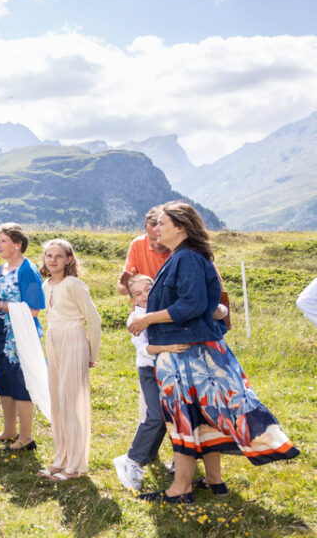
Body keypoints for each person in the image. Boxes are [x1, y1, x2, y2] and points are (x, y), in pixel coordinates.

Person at [127, 201, 299, 503]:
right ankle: (213, 479)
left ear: (181, 227)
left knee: (184, 418)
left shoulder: (187, 259)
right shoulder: (183, 256)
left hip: (189, 355)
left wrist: (147, 318)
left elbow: (191, 305)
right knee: (201, 416)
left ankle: (181, 488)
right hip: (192, 349)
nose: (156, 229)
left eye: (163, 223)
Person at [38, 239, 102, 481]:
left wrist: (91, 354)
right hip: (54, 341)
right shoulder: (46, 285)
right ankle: (61, 458)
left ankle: (75, 465)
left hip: (74, 340)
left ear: (68, 259)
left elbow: (94, 320)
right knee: (57, 400)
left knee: (70, 402)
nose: (52, 259)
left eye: (58, 255)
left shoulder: (74, 284)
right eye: (48, 255)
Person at [0, 223, 45, 451]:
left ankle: (26, 437)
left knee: (20, 383)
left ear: (17, 244)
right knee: (2, 381)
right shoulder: (0, 269)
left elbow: (34, 308)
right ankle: (9, 430)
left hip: (19, 336)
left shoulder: (27, 270)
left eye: (2, 241)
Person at [113, 275, 169, 491]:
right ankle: (131, 459)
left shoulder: (163, 309)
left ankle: (143, 458)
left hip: (167, 369)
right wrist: (170, 347)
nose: (145, 295)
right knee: (154, 416)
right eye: (138, 294)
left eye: (148, 289)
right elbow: (144, 348)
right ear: (133, 300)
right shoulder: (136, 317)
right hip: (149, 370)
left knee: (165, 417)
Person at [117, 206, 171, 294]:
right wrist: (130, 285)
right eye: (152, 239)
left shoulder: (181, 249)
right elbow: (122, 290)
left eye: (160, 237)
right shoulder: (137, 244)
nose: (157, 244)